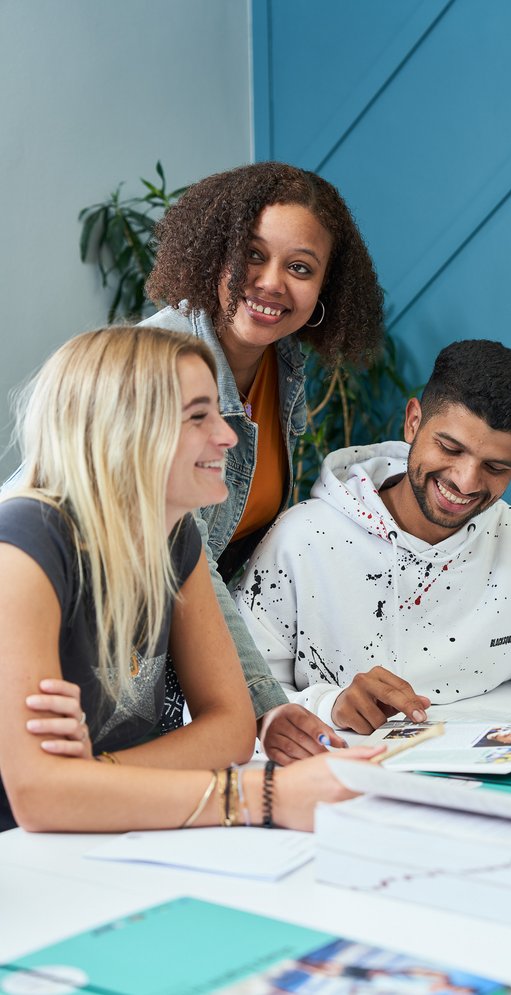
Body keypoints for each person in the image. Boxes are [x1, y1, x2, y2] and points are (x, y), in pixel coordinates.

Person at [0, 326, 377, 834]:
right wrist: (262, 796)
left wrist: (89, 780)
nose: (226, 435)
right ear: (124, 429)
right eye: (198, 416)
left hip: (108, 830)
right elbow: (38, 798)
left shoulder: (173, 535)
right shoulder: (25, 544)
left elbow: (231, 728)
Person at [234, 339, 511, 746]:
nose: (466, 481)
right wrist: (330, 705)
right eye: (450, 448)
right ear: (414, 420)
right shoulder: (303, 539)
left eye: (495, 465)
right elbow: (230, 697)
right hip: (339, 785)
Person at [143, 162, 384, 764]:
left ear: (326, 289)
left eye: (299, 267)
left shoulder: (280, 368)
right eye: (251, 254)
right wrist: (264, 701)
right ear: (212, 255)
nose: (272, 282)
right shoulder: (164, 365)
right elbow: (185, 561)